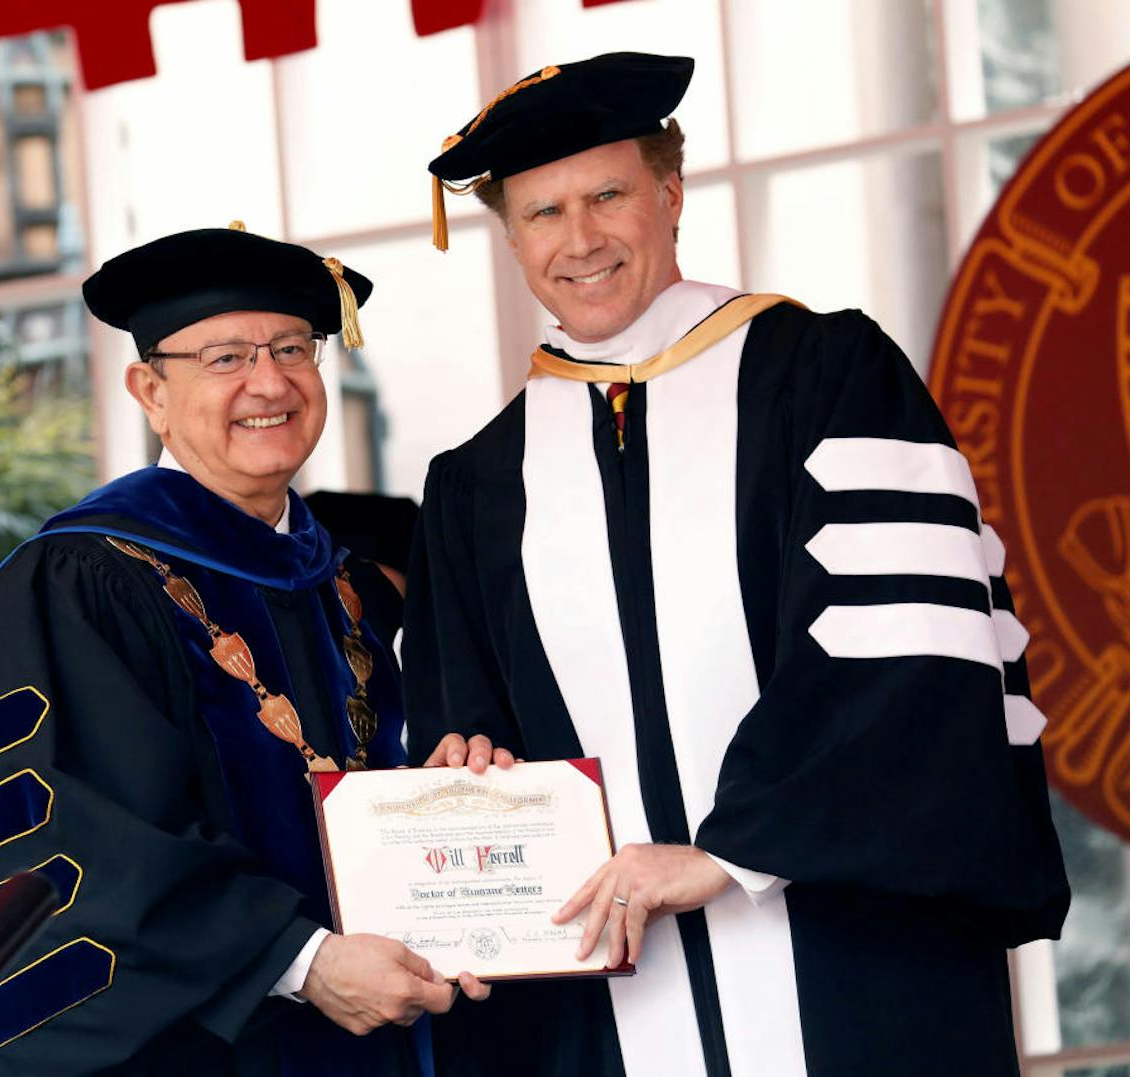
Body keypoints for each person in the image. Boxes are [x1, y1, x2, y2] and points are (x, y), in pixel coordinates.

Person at [406, 51, 1069, 1075]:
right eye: (540, 213)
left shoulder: (827, 378)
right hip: (606, 1003)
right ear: (507, 236)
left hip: (853, 968)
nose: (578, 240)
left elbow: (903, 658)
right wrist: (470, 782)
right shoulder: (475, 484)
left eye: (606, 196)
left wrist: (724, 855)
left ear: (668, 195)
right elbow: (467, 730)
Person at [0, 224, 471, 1076]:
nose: (269, 381)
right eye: (225, 357)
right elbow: (80, 843)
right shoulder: (82, 579)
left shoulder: (339, 585)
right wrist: (303, 960)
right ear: (149, 389)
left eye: (293, 348)